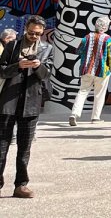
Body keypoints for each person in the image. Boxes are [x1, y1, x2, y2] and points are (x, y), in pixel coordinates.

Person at [0, 15, 52, 198]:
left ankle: (21, 185)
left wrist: (38, 66)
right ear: (25, 30)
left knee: (24, 148)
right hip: (8, 101)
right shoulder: (12, 45)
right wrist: (18, 65)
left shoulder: (47, 48)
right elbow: (1, 69)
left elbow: (47, 75)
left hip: (30, 103)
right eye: (31, 33)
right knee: (2, 145)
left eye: (38, 34)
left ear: (42, 33)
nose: (34, 36)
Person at [71, 15, 111, 125]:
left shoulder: (87, 37)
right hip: (102, 71)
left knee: (82, 91)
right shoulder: (108, 39)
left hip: (86, 69)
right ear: (106, 27)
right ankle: (95, 118)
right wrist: (110, 69)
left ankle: (74, 114)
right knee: (99, 94)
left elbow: (78, 51)